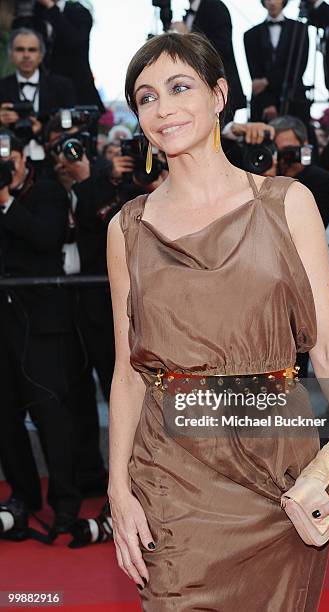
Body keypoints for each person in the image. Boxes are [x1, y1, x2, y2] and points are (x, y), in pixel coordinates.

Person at [106, 32, 329, 606]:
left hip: (278, 469)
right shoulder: (126, 229)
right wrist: (118, 491)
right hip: (173, 475)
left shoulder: (287, 203)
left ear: (219, 94)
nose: (162, 108)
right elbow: (127, 371)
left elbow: (328, 345)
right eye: (146, 97)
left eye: (179, 87)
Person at [0, 131, 83, 536]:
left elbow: (47, 238)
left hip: (42, 327)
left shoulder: (47, 191)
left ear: (21, 156)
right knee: (5, 417)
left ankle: (66, 503)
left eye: (6, 156)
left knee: (52, 415)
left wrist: (7, 202)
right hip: (3, 324)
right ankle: (22, 496)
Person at [0, 27, 76, 166]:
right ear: (11, 55)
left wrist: (45, 129)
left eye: (32, 50)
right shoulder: (2, 87)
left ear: (41, 55)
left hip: (53, 163)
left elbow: (72, 127)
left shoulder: (62, 86)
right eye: (20, 49)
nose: (26, 55)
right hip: (10, 164)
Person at [173, 0, 246, 122]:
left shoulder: (216, 7)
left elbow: (222, 47)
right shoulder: (190, 13)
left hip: (218, 89)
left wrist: (187, 35)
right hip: (197, 91)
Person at [244, 0, 310, 125]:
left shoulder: (299, 29)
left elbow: (298, 68)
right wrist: (267, 103)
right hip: (263, 104)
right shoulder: (250, 35)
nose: (273, 2)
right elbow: (255, 75)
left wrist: (267, 81)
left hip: (294, 99)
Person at [33, 0, 105, 112]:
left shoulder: (79, 11)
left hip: (79, 94)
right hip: (45, 94)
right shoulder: (35, 12)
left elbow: (74, 41)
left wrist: (52, 8)